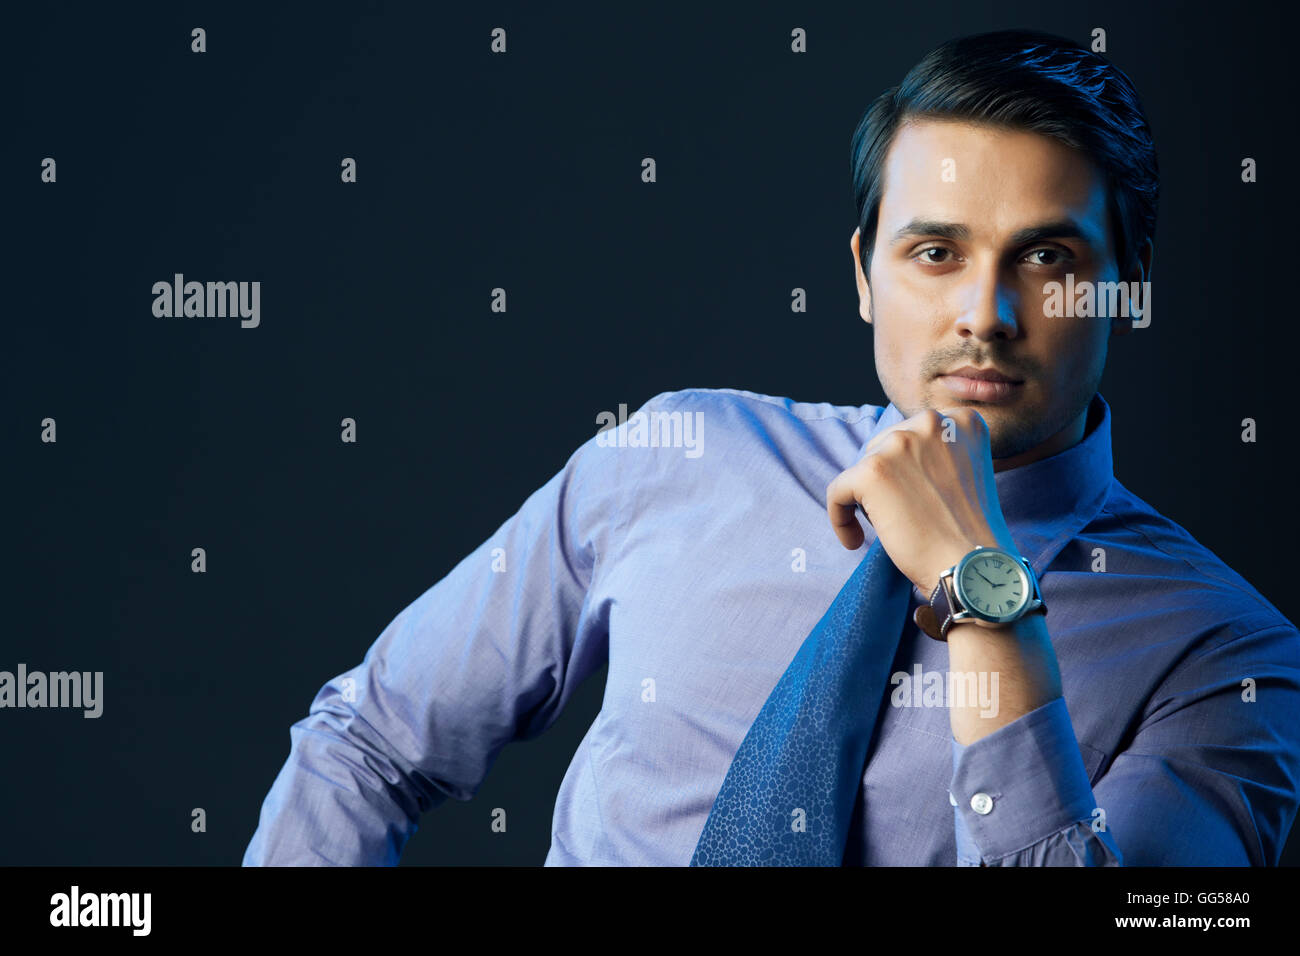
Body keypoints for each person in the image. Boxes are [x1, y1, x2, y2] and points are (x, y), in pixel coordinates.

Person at [243, 29, 1300, 866]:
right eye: (934, 251)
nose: (984, 312)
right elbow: (370, 742)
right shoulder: (677, 452)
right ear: (860, 273)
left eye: (1045, 256)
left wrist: (982, 592)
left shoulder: (1231, 660)